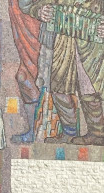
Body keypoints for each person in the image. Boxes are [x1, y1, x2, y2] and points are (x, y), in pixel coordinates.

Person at [29, 0, 104, 145]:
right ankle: (69, 133)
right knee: (58, 87)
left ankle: (97, 133)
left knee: (89, 88)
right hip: (62, 37)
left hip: (92, 42)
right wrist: (39, 10)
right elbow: (36, 3)